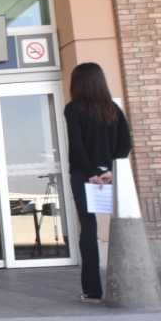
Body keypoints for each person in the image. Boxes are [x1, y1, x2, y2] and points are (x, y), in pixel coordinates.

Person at [64, 62, 132, 303]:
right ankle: (130, 283)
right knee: (121, 221)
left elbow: (77, 145)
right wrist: (108, 171)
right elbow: (126, 144)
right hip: (110, 175)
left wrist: (91, 172)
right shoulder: (112, 108)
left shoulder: (73, 109)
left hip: (84, 175)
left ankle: (92, 291)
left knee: (88, 227)